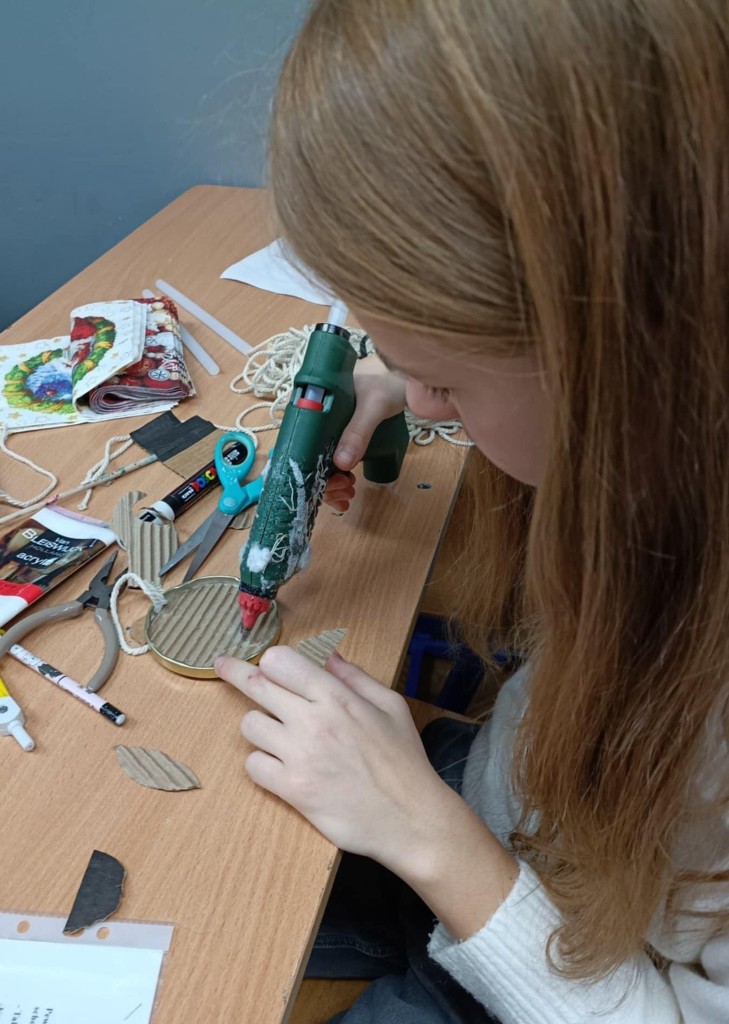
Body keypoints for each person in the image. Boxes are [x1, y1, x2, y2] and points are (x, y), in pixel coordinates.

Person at [214, 1, 729, 1020]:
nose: (424, 398)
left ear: (622, 356)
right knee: (217, 879)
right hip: (523, 816)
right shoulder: (665, 443)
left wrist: (429, 838)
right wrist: (407, 371)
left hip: (574, 974)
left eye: (442, 377)